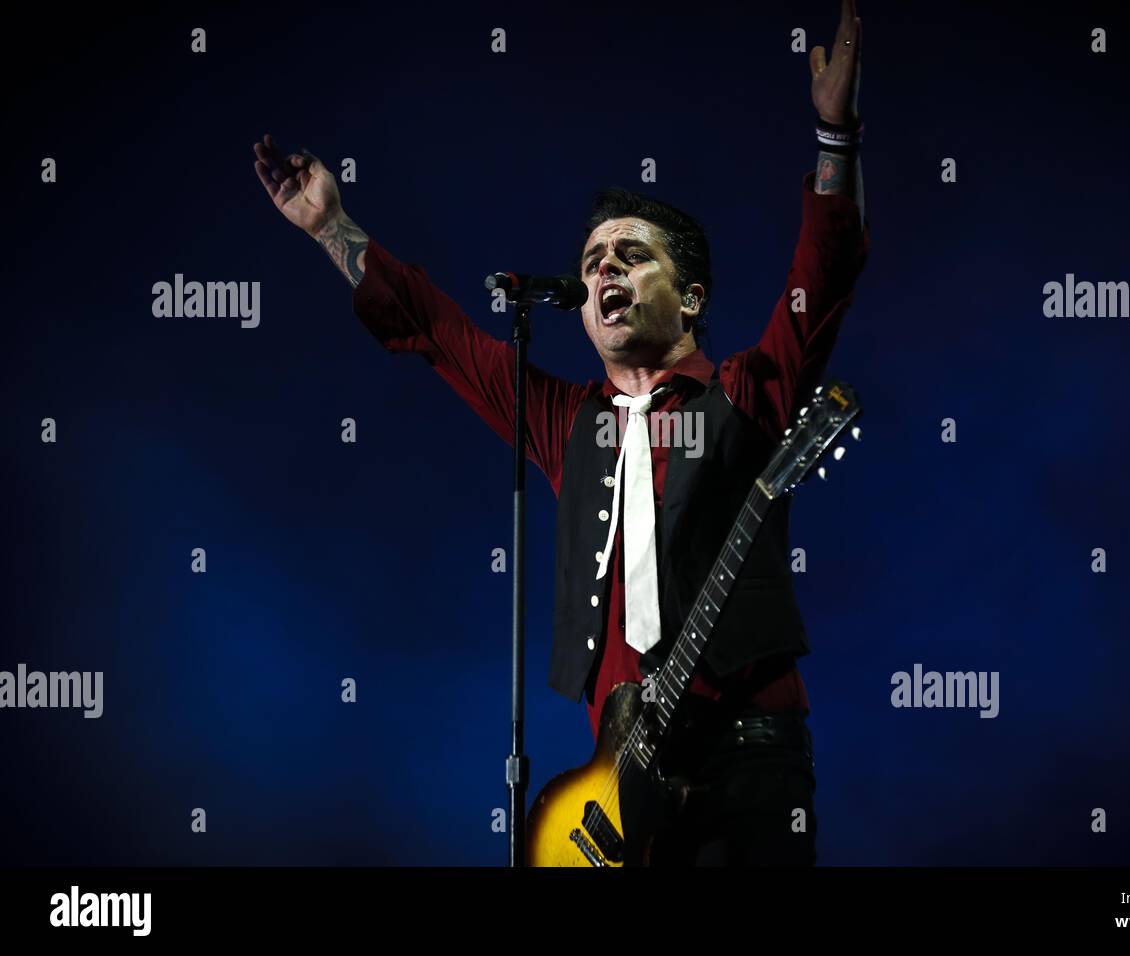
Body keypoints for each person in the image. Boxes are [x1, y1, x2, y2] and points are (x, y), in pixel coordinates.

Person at [253, 0, 869, 866]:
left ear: (690, 297)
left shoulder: (746, 393)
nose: (604, 269)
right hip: (613, 791)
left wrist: (835, 137)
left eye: (631, 254)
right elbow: (437, 332)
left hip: (748, 756)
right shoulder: (563, 422)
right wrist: (331, 229)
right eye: (590, 264)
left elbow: (827, 269)